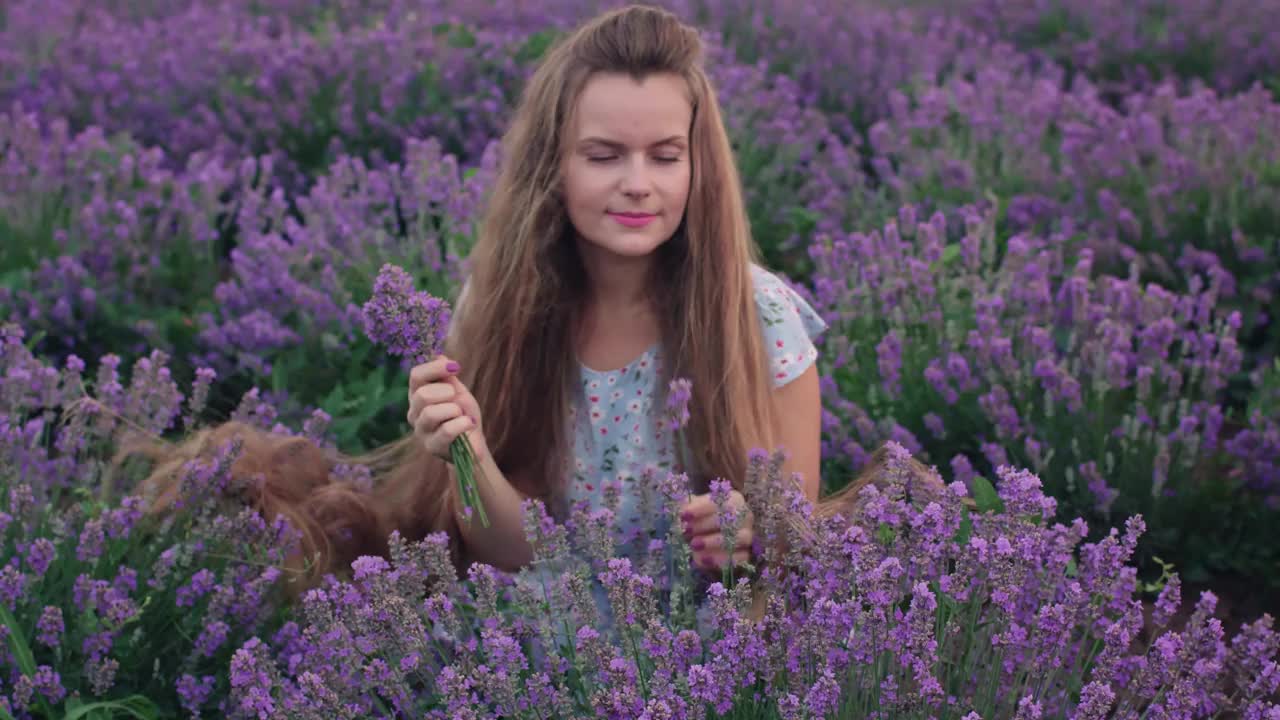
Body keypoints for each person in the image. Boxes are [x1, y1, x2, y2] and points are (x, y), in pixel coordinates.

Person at [122, 3, 827, 595]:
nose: (638, 183)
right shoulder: (505, 310)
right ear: (554, 165)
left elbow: (797, 542)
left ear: (698, 166)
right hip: (543, 645)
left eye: (666, 155)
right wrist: (466, 453)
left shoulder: (759, 318)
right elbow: (509, 551)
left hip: (715, 649)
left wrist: (750, 531)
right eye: (604, 155)